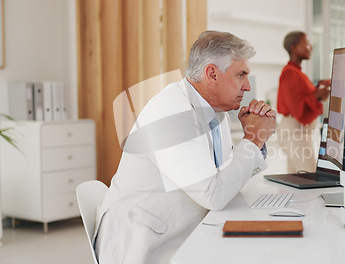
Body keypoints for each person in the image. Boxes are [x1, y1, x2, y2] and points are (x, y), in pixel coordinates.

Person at [94, 31, 276, 264]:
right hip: (142, 244)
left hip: (181, 230)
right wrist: (253, 139)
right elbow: (214, 195)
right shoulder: (171, 112)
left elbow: (226, 174)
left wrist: (254, 139)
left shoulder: (215, 112)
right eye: (241, 74)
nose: (247, 86)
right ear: (212, 74)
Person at [276, 31, 331, 173]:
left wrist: (317, 93)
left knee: (297, 180)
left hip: (299, 133)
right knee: (310, 177)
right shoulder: (290, 73)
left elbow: (301, 98)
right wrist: (317, 95)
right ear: (294, 48)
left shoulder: (297, 73)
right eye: (306, 43)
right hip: (295, 133)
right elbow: (296, 107)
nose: (310, 47)